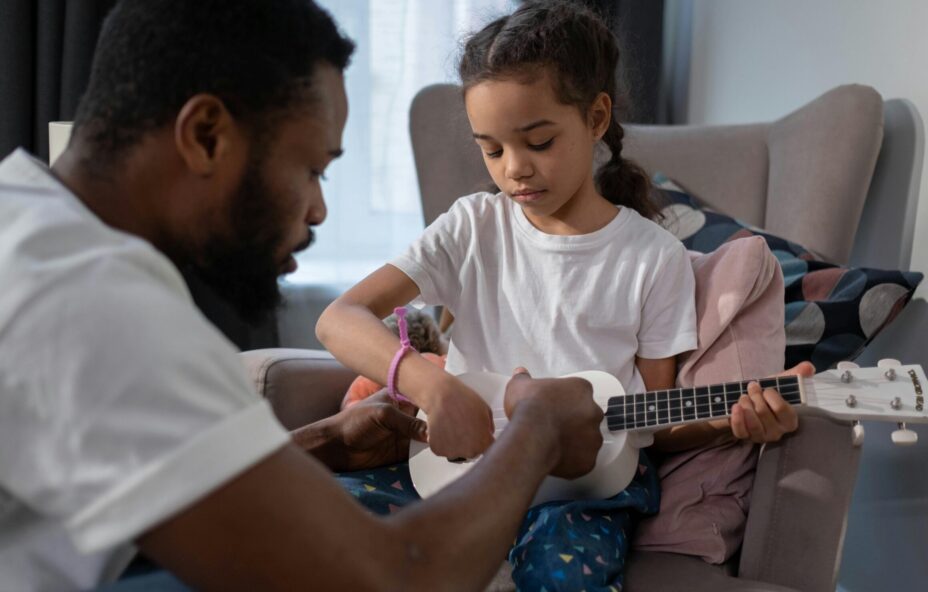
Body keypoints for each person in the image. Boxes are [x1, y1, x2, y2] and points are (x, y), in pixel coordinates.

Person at [0, 1, 611, 591]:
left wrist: (324, 441)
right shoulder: (98, 308)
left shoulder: (27, 225)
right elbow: (396, 579)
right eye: (311, 168)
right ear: (207, 135)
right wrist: (539, 429)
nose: (318, 209)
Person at [315, 2, 802, 590]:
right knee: (323, 524)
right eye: (491, 150)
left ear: (596, 117)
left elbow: (655, 419)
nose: (514, 169)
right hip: (459, 474)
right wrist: (432, 386)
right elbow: (339, 319)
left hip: (584, 490)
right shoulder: (472, 227)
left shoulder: (653, 257)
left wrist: (735, 421)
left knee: (563, 576)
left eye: (538, 141)